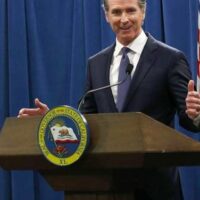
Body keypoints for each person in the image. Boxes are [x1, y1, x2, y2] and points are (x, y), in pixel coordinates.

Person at [18, 0, 198, 199]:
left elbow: (189, 119)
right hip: (107, 186)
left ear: (143, 13)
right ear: (106, 16)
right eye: (116, 12)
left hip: (156, 187)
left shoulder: (170, 59)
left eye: (131, 11)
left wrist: (195, 113)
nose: (124, 19)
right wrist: (54, 119)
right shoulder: (96, 63)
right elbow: (88, 123)